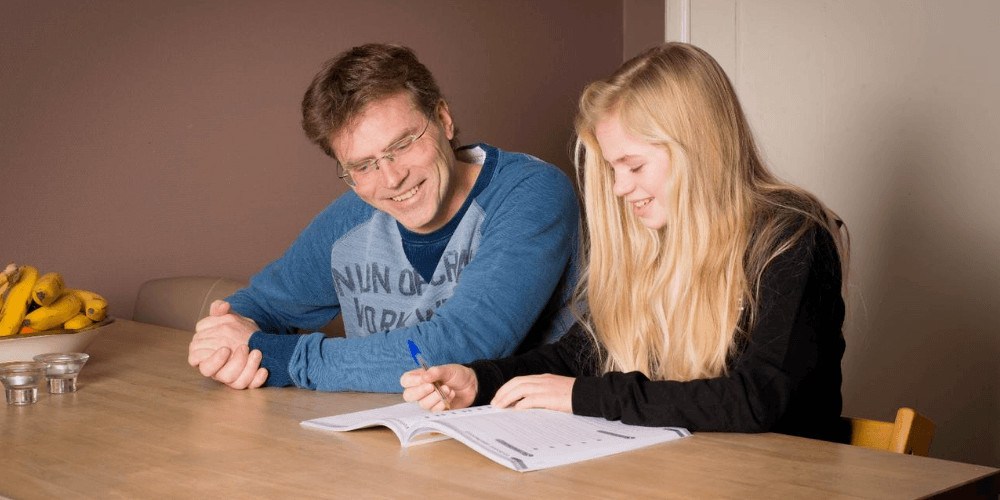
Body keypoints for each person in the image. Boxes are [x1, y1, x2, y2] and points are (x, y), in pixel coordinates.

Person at [401, 42, 850, 443]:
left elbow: (760, 398)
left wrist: (583, 396)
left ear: (700, 152)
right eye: (613, 169)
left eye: (634, 167)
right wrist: (480, 381)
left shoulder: (792, 237)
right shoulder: (654, 240)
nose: (619, 188)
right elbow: (578, 357)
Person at [188, 44, 579, 392]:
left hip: (533, 432)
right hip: (390, 432)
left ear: (443, 120)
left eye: (403, 145)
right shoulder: (351, 220)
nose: (392, 179)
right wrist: (227, 344)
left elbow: (463, 344)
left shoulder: (531, 193)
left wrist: (285, 358)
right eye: (363, 165)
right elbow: (261, 304)